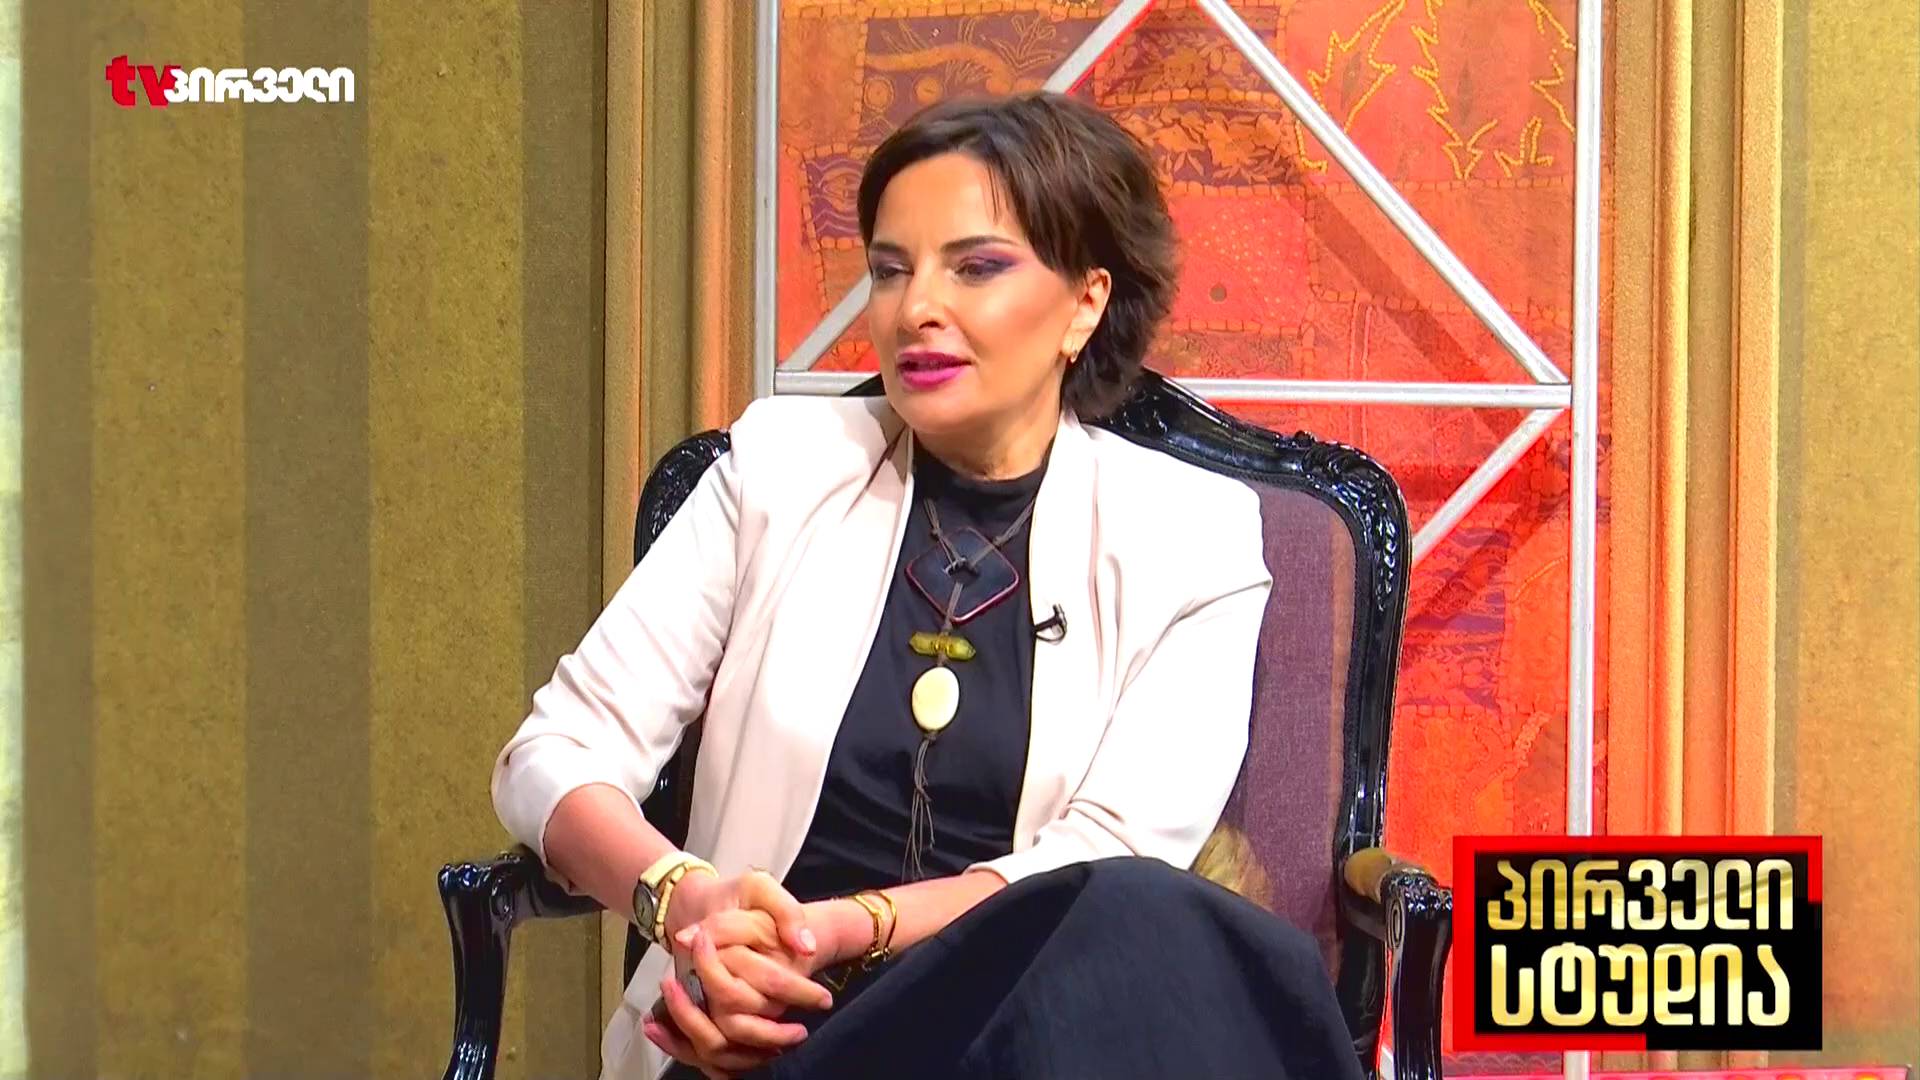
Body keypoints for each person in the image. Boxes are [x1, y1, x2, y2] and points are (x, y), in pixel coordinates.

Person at [492, 91, 1363, 1080]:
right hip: (763, 1032)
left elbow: (1109, 860)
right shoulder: (780, 468)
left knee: (1148, 914)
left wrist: (847, 926)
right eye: (890, 269)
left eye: (976, 267)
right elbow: (552, 755)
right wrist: (686, 902)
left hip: (1022, 1039)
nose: (916, 309)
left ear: (1086, 303)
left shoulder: (1190, 535)